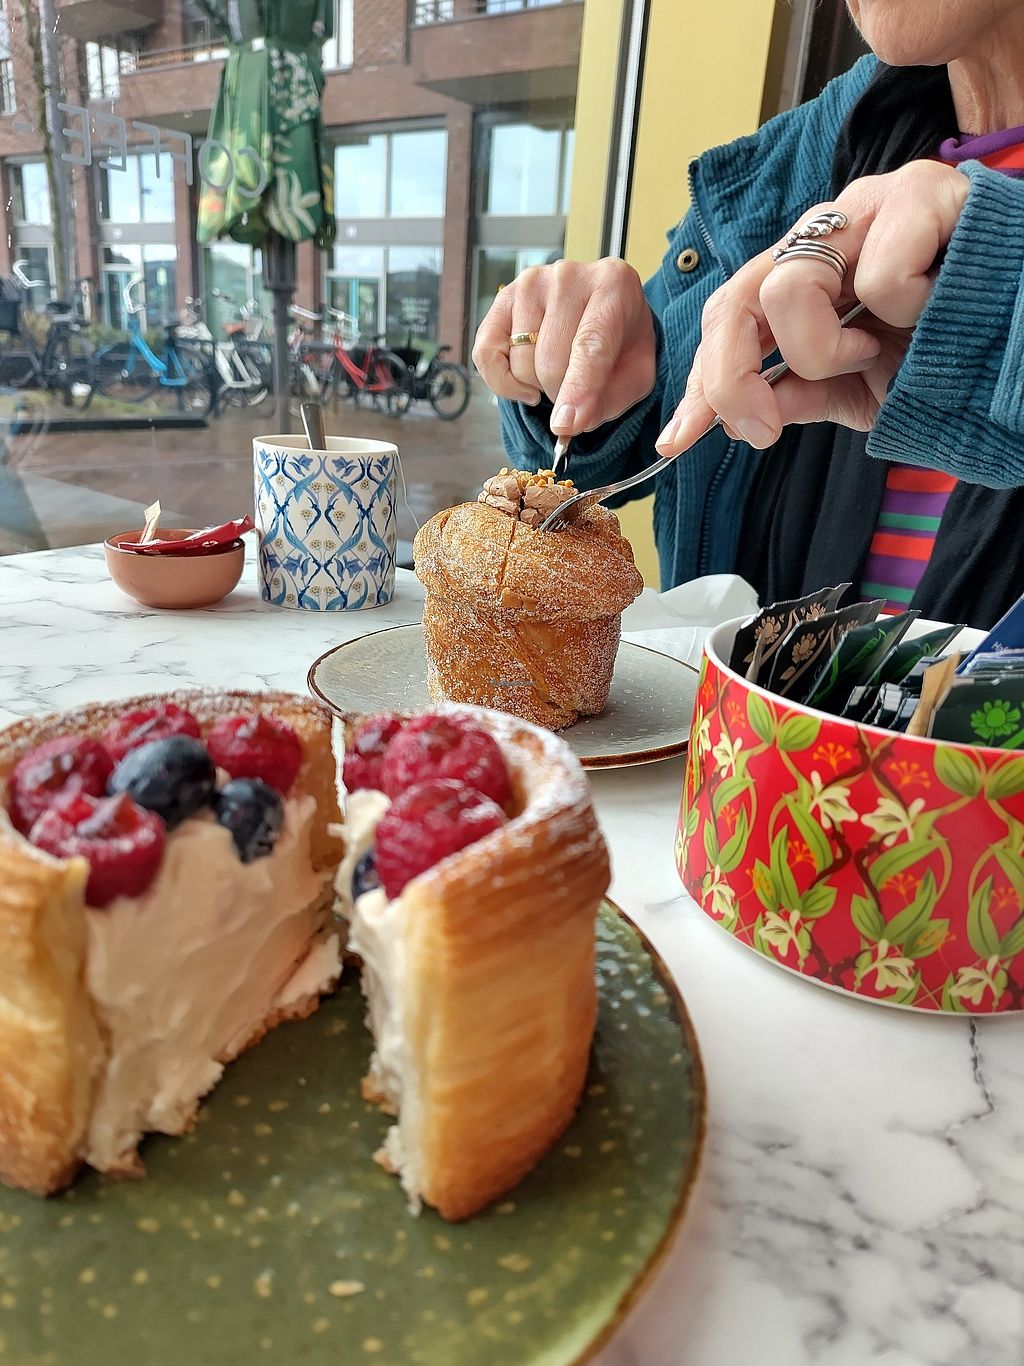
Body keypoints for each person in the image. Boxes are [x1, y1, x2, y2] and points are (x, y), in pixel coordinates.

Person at [473, 1, 1024, 629]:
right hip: (734, 696)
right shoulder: (812, 153)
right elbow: (642, 444)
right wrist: (582, 361)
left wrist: (994, 285)